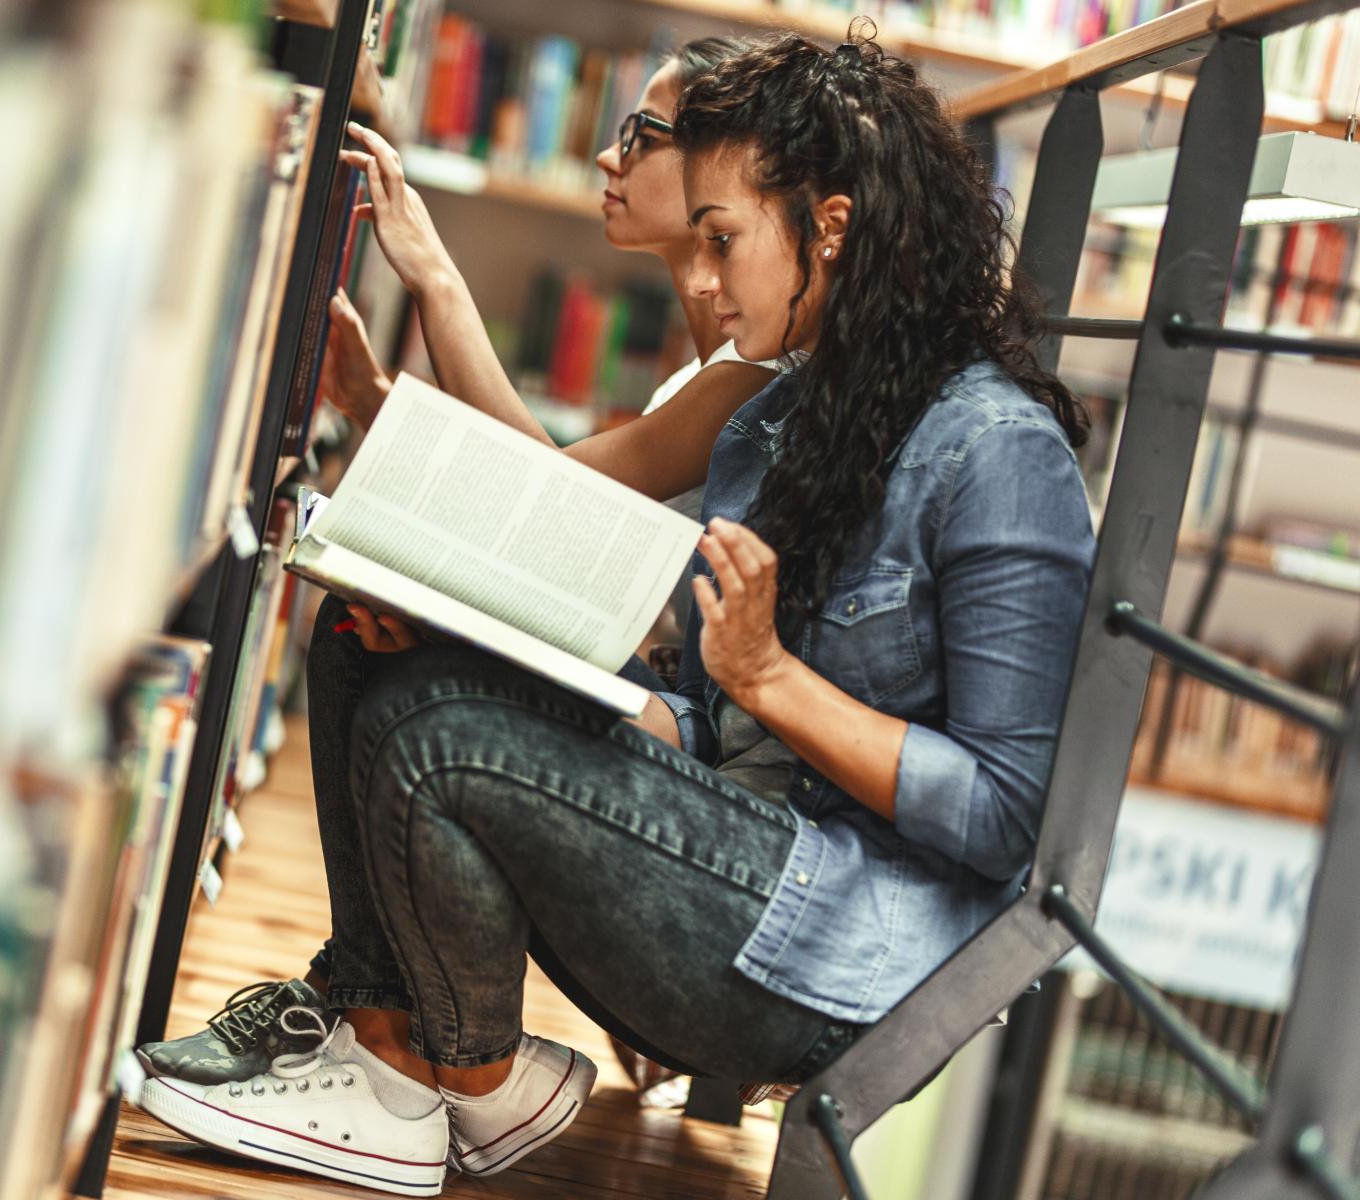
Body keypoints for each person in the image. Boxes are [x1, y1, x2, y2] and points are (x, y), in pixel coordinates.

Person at [135, 27, 1098, 1197]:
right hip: (725, 854)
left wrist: (771, 680)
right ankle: (390, 1045)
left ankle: (463, 1078)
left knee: (439, 741)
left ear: (831, 228)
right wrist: (484, 638)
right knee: (374, 647)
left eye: (724, 238)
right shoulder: (781, 421)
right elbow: (698, 728)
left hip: (838, 948)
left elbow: (1007, 818)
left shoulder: (1001, 453)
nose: (705, 276)